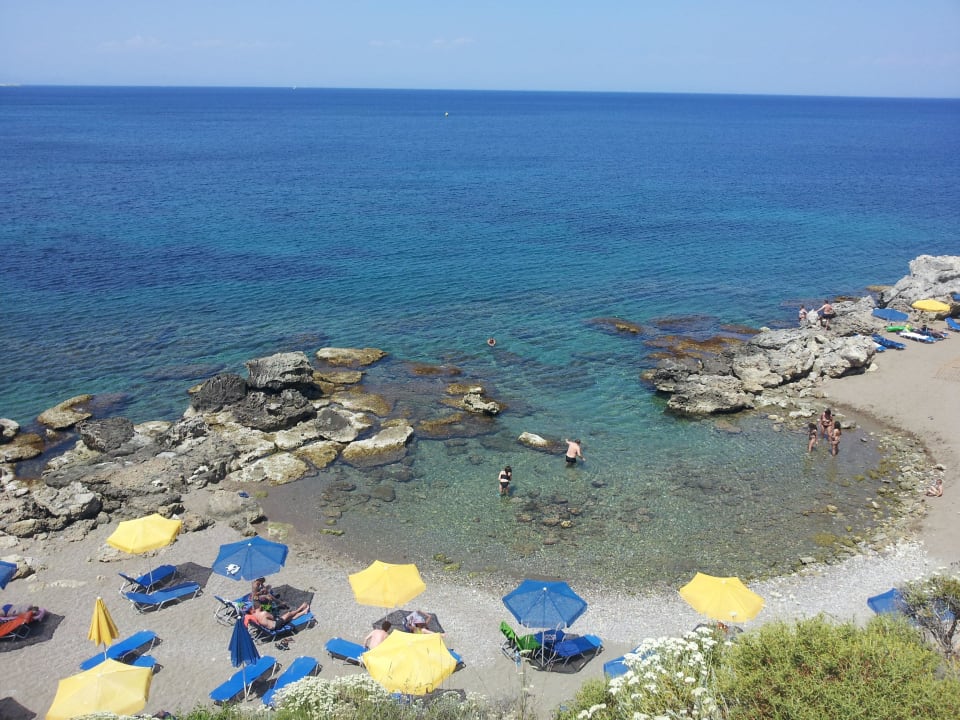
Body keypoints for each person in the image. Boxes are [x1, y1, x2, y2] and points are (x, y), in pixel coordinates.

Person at [244, 600, 310, 631]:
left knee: (290, 618)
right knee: (288, 614)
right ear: (260, 606)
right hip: (275, 625)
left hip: (271, 626)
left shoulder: (254, 614)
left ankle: (304, 611)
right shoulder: (263, 613)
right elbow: (272, 617)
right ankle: (301, 608)